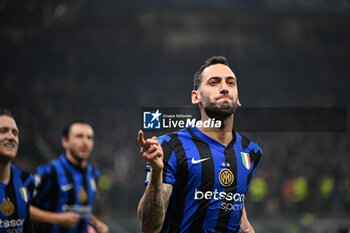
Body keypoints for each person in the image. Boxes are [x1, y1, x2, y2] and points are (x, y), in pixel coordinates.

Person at [137, 56, 263, 233]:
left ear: (238, 98)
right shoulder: (169, 147)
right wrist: (157, 172)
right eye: (214, 82)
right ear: (196, 97)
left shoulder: (251, 151)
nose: (224, 88)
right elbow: (149, 227)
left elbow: (233, 202)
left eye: (231, 83)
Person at [30, 120, 108, 233]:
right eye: (79, 136)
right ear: (65, 142)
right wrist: (56, 219)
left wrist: (96, 224)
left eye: (89, 137)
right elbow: (24, 207)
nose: (85, 142)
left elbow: (82, 210)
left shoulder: (93, 174)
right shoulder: (48, 172)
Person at [0, 109, 35, 232]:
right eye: (3, 131)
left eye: (15, 133)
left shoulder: (27, 181)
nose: (11, 137)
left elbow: (27, 227)